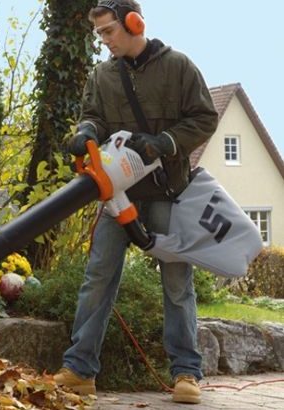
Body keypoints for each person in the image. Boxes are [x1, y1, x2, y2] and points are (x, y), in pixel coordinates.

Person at [53, 0, 219, 405]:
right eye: (100, 34)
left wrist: (166, 143)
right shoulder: (102, 75)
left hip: (166, 193)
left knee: (177, 284)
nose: (104, 40)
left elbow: (205, 117)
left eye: (109, 31)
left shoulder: (178, 67)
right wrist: (84, 132)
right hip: (117, 195)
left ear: (134, 23)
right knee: (97, 278)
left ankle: (186, 373)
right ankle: (79, 370)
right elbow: (92, 116)